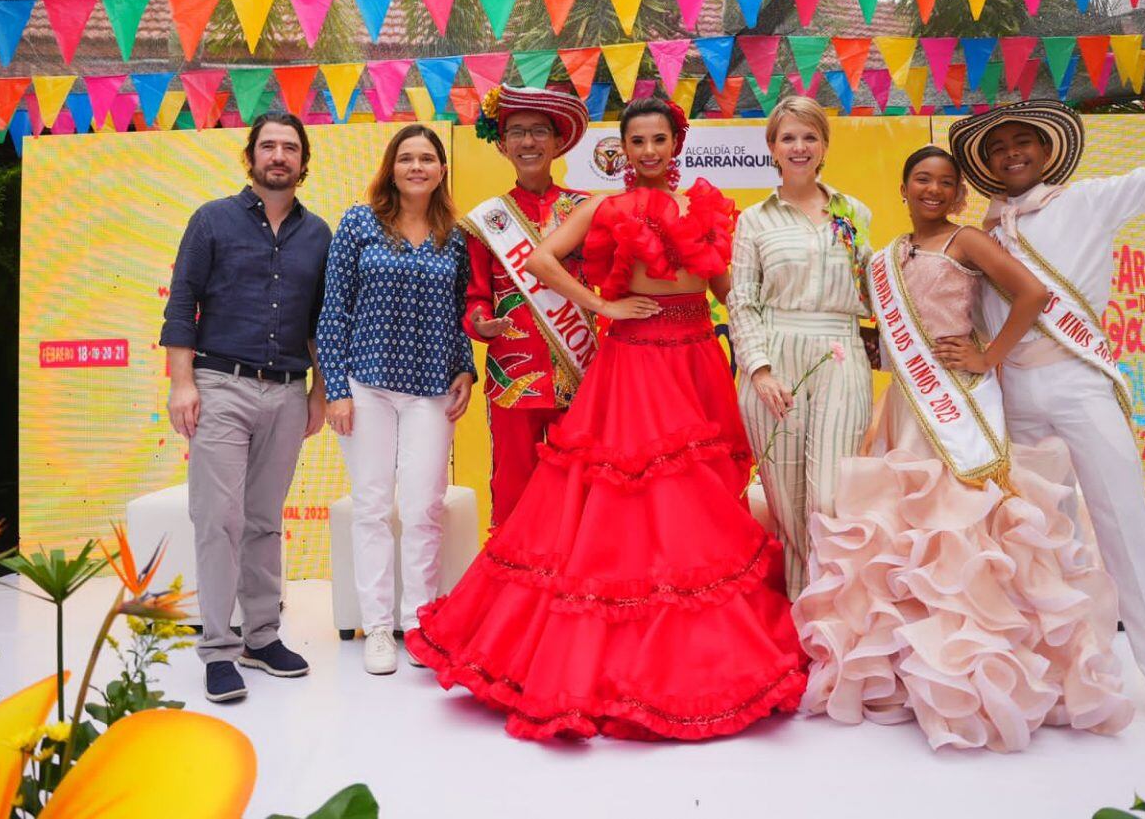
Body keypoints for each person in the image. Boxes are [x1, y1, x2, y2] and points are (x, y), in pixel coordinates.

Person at [405, 97, 805, 741]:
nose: (649, 152)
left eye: (659, 140)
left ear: (678, 143)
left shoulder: (702, 207)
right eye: (637, 141)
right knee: (632, 501)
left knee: (695, 502)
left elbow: (731, 290)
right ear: (623, 149)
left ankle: (689, 652)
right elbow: (538, 261)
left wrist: (764, 343)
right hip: (634, 365)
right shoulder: (603, 206)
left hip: (697, 356)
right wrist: (602, 306)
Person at [947, 26, 1145, 735]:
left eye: (1020, 141)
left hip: (1081, 384)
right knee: (1024, 536)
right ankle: (1038, 676)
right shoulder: (981, 234)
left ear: (1046, 149)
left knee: (1124, 524)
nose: (1009, 152)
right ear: (986, 166)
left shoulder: (1093, 202)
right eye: (995, 148)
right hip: (1011, 398)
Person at [793, 146, 1133, 752]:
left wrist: (988, 355)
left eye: (944, 183)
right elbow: (893, 329)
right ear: (903, 188)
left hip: (959, 399)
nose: (933, 189)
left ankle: (972, 670)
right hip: (907, 399)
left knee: (959, 531)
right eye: (921, 178)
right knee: (906, 531)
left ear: (957, 194)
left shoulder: (969, 242)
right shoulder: (887, 257)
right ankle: (907, 670)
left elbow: (1031, 295)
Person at [161, 111, 331, 704]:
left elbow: (320, 323)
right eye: (268, 146)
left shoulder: (319, 235)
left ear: (303, 162)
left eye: (289, 147)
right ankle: (217, 647)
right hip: (220, 385)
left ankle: (262, 636)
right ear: (251, 157)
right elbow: (182, 302)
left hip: (287, 391)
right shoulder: (212, 220)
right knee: (218, 519)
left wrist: (319, 391)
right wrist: (183, 384)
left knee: (262, 519)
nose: (278, 155)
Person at [316, 124, 476, 676]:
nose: (416, 166)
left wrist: (467, 368)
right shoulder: (360, 223)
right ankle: (380, 626)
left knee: (423, 508)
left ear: (440, 170)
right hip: (367, 385)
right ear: (391, 166)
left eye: (426, 158)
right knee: (371, 507)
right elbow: (333, 310)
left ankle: (421, 623)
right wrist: (335, 389)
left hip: (431, 389)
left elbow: (461, 313)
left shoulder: (454, 235)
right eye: (406, 158)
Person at [729, 96, 874, 598]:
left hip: (841, 352)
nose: (799, 146)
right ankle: (802, 621)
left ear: (824, 147)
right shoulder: (754, 221)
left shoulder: (853, 212)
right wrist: (760, 371)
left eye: (809, 137)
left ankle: (834, 615)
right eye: (788, 137)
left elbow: (874, 290)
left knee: (829, 499)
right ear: (772, 147)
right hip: (774, 361)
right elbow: (741, 301)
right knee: (787, 504)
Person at [460, 85, 595, 529]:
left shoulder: (586, 208)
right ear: (501, 145)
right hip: (513, 376)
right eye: (517, 132)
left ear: (558, 143)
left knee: (581, 480)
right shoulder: (486, 220)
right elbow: (476, 296)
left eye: (539, 131)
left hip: (583, 371)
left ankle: (578, 579)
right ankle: (511, 583)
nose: (528, 142)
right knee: (513, 484)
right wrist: (482, 323)